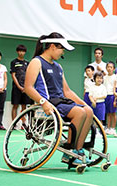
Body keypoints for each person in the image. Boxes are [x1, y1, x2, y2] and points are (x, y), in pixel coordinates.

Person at [24, 32, 93, 165]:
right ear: (52, 46)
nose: (63, 53)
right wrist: (43, 102)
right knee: (80, 112)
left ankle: (78, 151)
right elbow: (28, 87)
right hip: (47, 104)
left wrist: (84, 104)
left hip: (61, 103)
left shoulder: (58, 66)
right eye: (62, 49)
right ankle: (69, 152)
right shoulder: (36, 62)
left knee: (88, 111)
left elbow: (67, 91)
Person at [10, 45, 33, 124]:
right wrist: (19, 86)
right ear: (17, 52)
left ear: (25, 52)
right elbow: (13, 75)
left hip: (25, 88)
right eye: (20, 51)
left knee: (24, 106)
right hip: (16, 88)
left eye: (23, 51)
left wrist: (25, 87)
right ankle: (13, 124)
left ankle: (24, 124)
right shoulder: (14, 62)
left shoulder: (27, 63)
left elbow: (28, 75)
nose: (21, 53)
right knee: (15, 105)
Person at [104, 61, 117, 135]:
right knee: (108, 113)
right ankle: (108, 127)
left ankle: (113, 128)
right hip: (106, 96)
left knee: (113, 113)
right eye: (108, 67)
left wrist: (115, 99)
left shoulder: (115, 77)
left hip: (112, 95)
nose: (109, 68)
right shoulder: (104, 77)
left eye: (111, 67)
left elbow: (115, 88)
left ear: (114, 69)